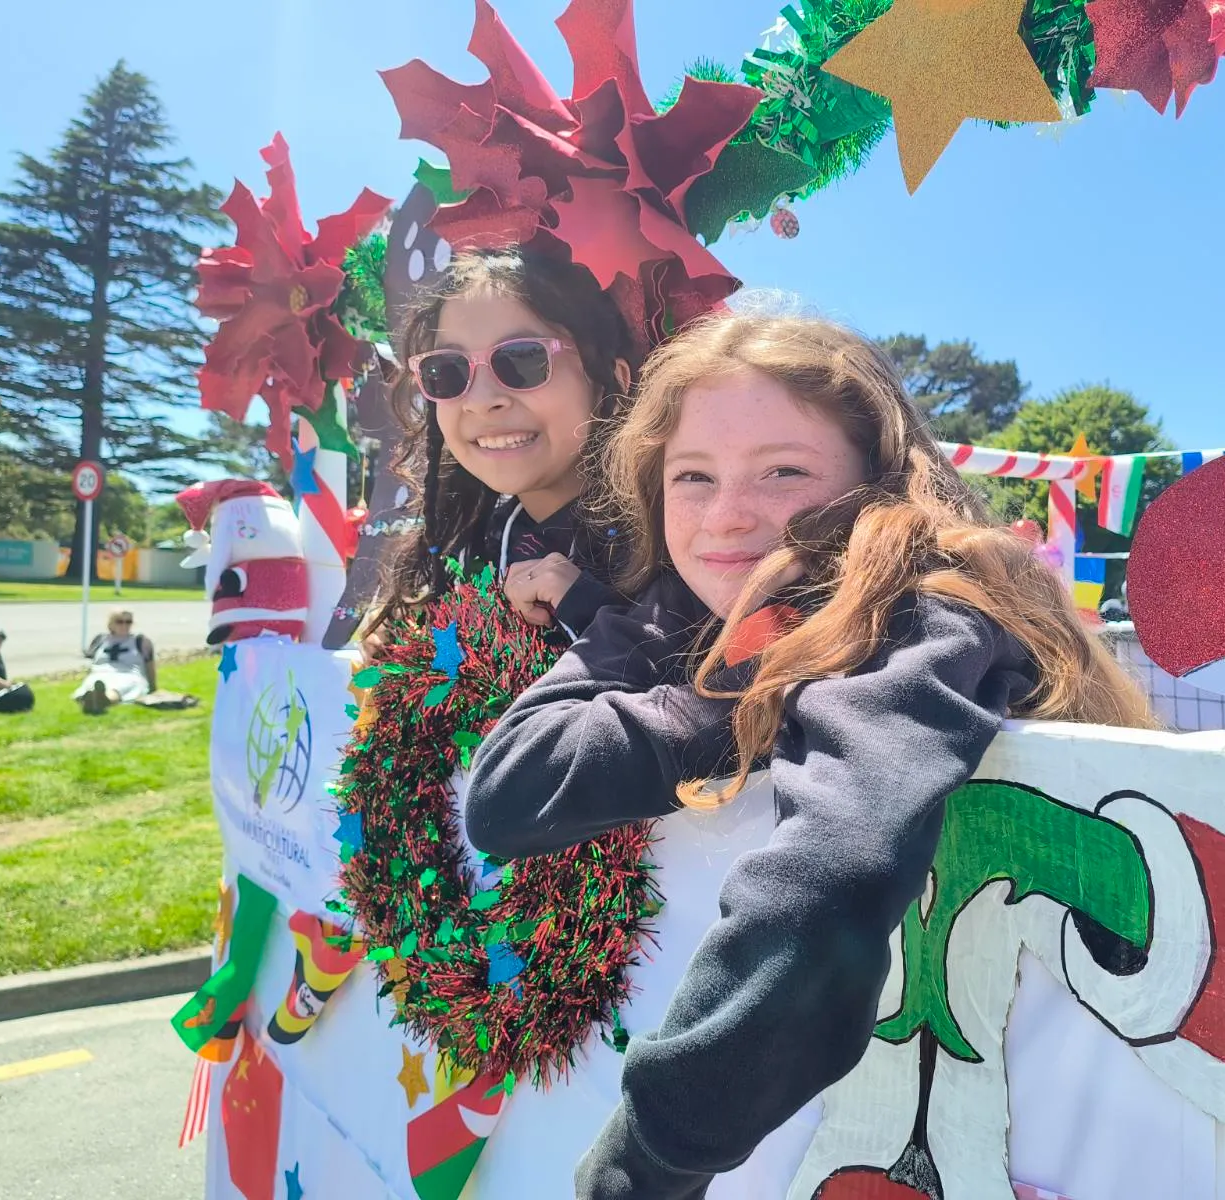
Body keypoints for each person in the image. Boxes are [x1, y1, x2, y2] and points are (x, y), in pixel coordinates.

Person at [464, 312, 1157, 1199]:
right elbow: (510, 791)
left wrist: (639, 1167)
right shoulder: (694, 607)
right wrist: (731, 682)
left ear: (878, 479)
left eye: (783, 471)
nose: (727, 515)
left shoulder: (925, 611)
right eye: (692, 477)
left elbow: (823, 894)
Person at [357, 247, 638, 655]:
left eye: (522, 359)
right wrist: (409, 663)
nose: (480, 400)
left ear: (611, 380)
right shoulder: (463, 557)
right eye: (448, 371)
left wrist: (589, 615)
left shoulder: (677, 545)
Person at [74, 610, 158, 714]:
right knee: (93, 682)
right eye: (120, 621)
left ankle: (103, 700)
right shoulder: (100, 640)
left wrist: (153, 687)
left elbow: (150, 664)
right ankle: (94, 697)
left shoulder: (141, 641)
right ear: (110, 624)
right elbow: (92, 662)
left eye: (128, 622)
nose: (124, 625)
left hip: (129, 674)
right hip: (101, 673)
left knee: (121, 686)